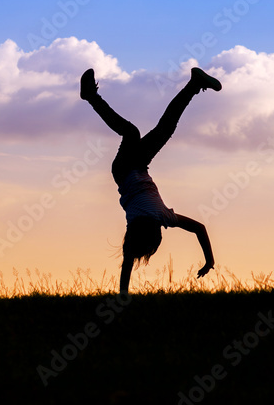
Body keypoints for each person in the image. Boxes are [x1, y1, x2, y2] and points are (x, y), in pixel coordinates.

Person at [80, 67, 221, 294]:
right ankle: (194, 84)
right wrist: (209, 261)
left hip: (126, 169)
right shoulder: (150, 219)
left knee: (133, 132)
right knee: (164, 128)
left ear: (157, 233)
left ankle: (91, 97)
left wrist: (210, 261)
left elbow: (199, 229)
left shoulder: (162, 217)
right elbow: (199, 229)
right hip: (136, 166)